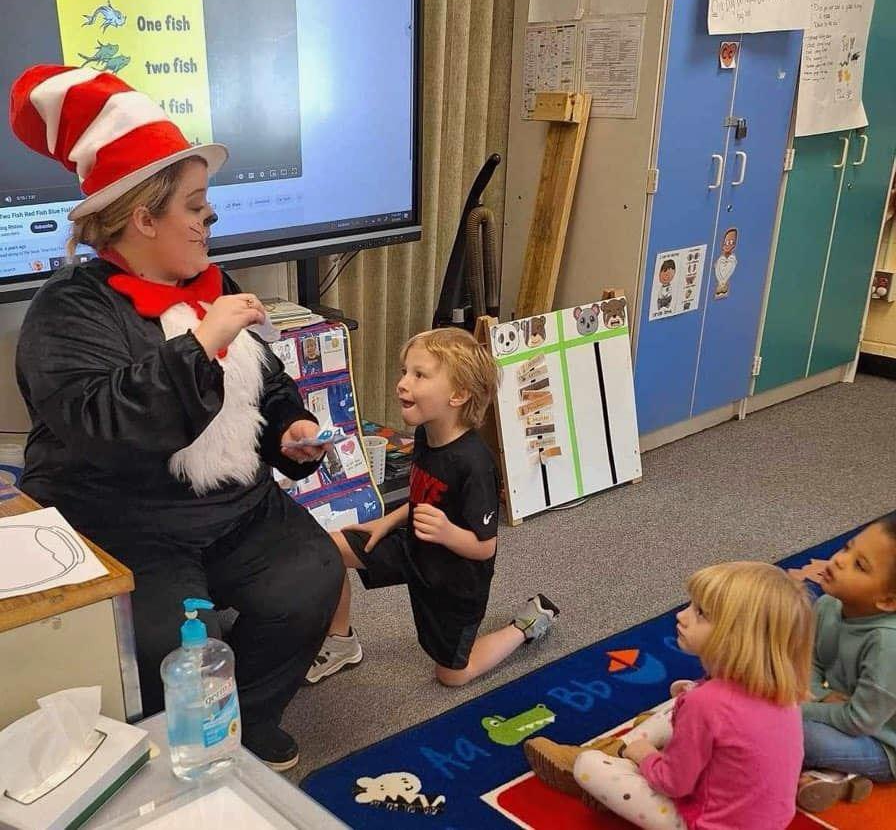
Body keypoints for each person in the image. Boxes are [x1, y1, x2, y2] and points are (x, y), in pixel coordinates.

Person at [10, 64, 344, 770]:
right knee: (168, 636)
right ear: (143, 217)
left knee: (313, 574)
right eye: (195, 207)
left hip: (235, 507)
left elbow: (267, 384)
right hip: (123, 517)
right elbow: (104, 425)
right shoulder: (67, 310)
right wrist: (201, 345)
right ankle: (171, 753)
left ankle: (249, 720)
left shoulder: (212, 285)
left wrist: (290, 426)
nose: (209, 220)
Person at [305, 327, 559, 686]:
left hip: (454, 577)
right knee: (328, 548)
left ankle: (527, 624)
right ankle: (341, 641)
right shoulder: (426, 433)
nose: (402, 383)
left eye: (419, 375)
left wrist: (446, 532)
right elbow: (426, 496)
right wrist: (389, 520)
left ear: (458, 394)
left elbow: (485, 547)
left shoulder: (475, 464)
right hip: (414, 545)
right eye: (404, 371)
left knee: (452, 675)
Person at [525, 561, 814, 830]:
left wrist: (644, 756)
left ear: (737, 638)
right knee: (682, 700)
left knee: (588, 765)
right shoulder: (782, 690)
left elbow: (674, 784)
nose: (681, 615)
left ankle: (609, 753)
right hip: (769, 820)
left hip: (708, 823)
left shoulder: (705, 703)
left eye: (700, 613)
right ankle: (617, 749)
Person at [797, 512, 896, 813]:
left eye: (859, 565)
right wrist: (819, 695)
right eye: (847, 547)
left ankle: (842, 775)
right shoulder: (830, 603)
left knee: (795, 732)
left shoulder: (887, 644)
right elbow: (809, 660)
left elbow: (860, 721)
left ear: (888, 601)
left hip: (884, 744)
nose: (840, 560)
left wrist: (799, 708)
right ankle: (842, 778)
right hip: (844, 712)